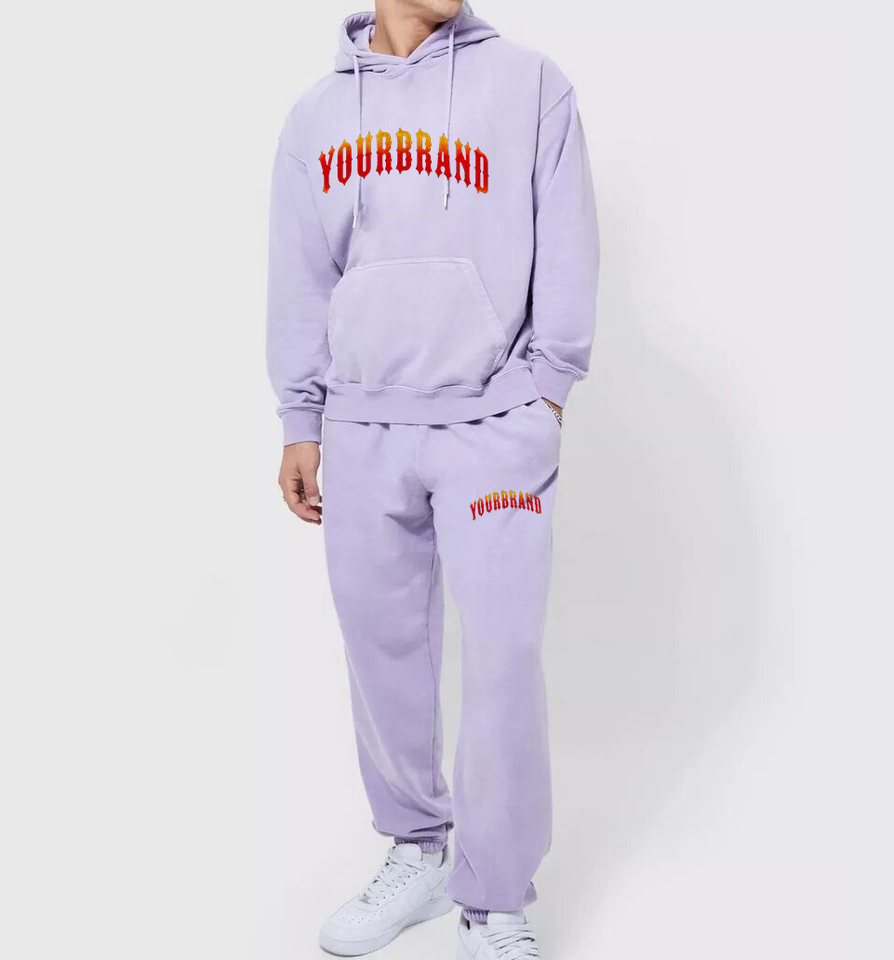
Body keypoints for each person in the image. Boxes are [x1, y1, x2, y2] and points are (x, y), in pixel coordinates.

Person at [266, 1, 598, 955]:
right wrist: (301, 418)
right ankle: (417, 848)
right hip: (364, 424)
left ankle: (494, 896)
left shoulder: (530, 85)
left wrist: (547, 395)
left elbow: (569, 245)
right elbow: (302, 278)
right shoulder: (317, 115)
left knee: (502, 658)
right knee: (383, 655)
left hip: (495, 423)